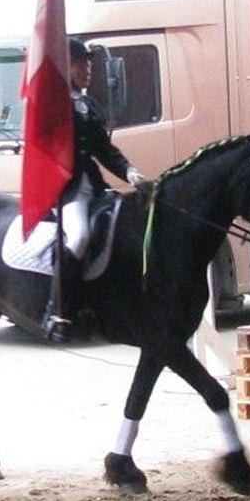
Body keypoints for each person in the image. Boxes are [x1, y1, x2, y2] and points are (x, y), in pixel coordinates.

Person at [42, 37, 147, 341]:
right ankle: (58, 310)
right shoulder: (54, 103)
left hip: (94, 185)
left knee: (119, 227)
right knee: (78, 238)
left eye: (88, 63)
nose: (88, 68)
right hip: (67, 189)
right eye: (81, 63)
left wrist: (129, 172)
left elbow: (103, 149)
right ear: (67, 65)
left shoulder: (89, 104)